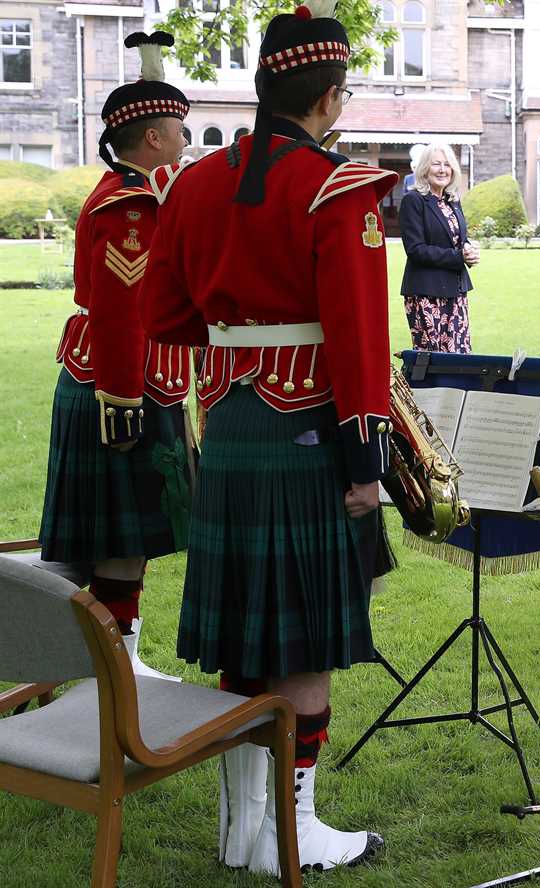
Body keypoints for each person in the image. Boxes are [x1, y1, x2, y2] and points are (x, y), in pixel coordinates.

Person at [141, 0, 393, 874]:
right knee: (305, 641)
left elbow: (165, 312)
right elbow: (359, 337)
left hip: (231, 424)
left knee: (248, 630)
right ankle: (293, 830)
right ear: (327, 97)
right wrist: (369, 463)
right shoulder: (338, 186)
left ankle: (244, 828)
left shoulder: (195, 182)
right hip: (310, 427)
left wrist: (231, 334)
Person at [38, 31, 192, 683]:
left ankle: (114, 661)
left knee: (122, 541)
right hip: (121, 386)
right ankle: (118, 669)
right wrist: (125, 400)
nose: (187, 142)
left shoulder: (126, 192)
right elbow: (123, 308)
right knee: (123, 545)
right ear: (153, 138)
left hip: (111, 379)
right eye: (180, 131)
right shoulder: (132, 206)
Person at [400, 141, 479, 352]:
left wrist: (468, 249)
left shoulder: (452, 200)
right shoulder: (413, 200)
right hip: (427, 293)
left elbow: (457, 238)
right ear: (425, 168)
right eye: (436, 164)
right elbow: (415, 250)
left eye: (447, 164)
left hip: (456, 290)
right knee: (433, 360)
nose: (443, 170)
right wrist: (458, 256)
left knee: (460, 357)